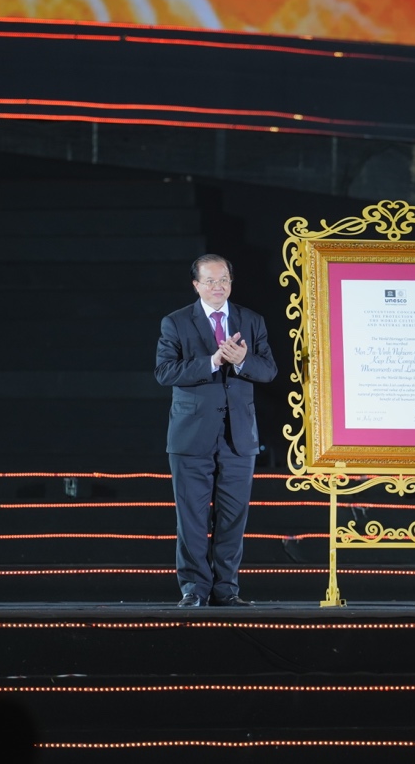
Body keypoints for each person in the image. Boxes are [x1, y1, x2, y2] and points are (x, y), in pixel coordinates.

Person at [155, 254, 277, 608]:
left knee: (233, 517)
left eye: (223, 279)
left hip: (239, 437)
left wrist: (242, 361)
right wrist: (213, 361)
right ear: (196, 285)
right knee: (192, 517)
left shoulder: (251, 320)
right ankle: (194, 589)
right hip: (191, 435)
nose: (217, 287)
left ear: (231, 282)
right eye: (209, 281)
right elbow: (165, 372)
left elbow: (269, 370)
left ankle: (226, 590)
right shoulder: (176, 322)